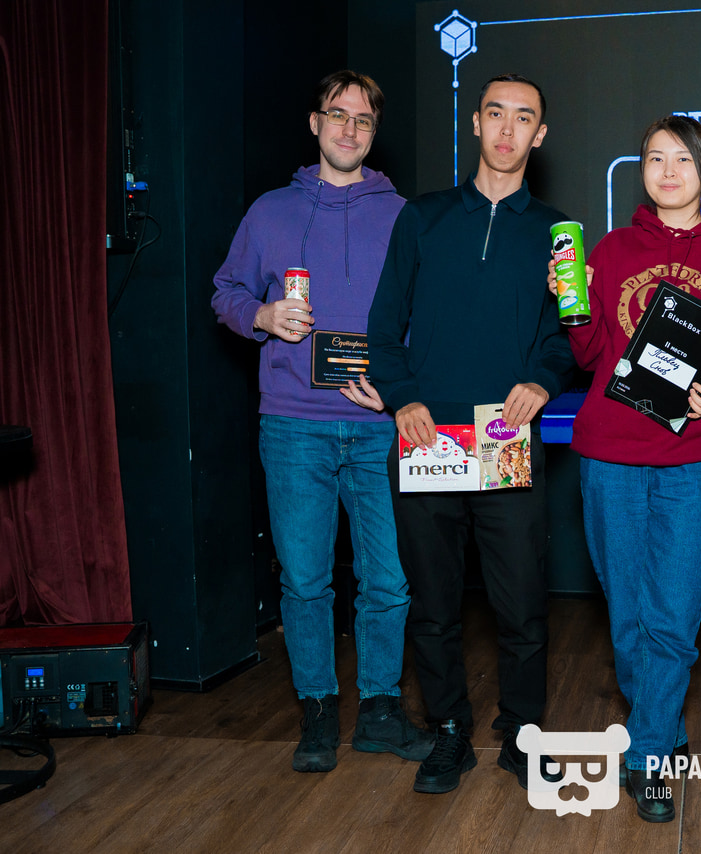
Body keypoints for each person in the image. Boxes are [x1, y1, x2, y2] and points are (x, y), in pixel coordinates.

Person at [211, 70, 432, 774]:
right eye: (338, 115)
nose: (349, 129)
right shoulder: (270, 211)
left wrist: (397, 391)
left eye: (363, 120)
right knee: (305, 580)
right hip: (293, 425)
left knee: (388, 580)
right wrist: (261, 314)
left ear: (374, 131)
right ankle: (316, 709)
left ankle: (380, 710)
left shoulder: (402, 215)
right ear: (315, 122)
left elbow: (424, 316)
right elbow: (225, 290)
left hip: (378, 426)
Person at [366, 73, 575, 796]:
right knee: (433, 606)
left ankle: (523, 734)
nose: (508, 129)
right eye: (496, 114)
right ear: (477, 122)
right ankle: (450, 730)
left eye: (524, 118)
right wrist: (402, 400)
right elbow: (382, 328)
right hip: (429, 438)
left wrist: (542, 381)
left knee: (522, 607)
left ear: (539, 135)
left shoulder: (557, 231)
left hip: (505, 437)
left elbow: (564, 338)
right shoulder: (421, 218)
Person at [557, 115, 701, 822]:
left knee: (671, 617)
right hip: (609, 454)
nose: (667, 171)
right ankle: (662, 728)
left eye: (682, 159)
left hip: (695, 457)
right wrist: (573, 305)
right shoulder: (612, 249)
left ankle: (647, 759)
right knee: (628, 617)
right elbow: (588, 357)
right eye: (653, 159)